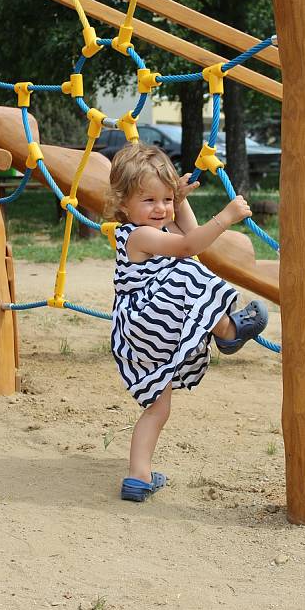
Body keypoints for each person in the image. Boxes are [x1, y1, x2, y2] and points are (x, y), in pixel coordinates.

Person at [105, 142, 269, 502]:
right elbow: (188, 248)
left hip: (143, 331)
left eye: (165, 199)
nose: (160, 208)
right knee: (187, 269)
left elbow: (191, 234)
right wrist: (225, 216)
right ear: (123, 205)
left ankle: (138, 476)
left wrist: (180, 200)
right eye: (149, 201)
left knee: (159, 407)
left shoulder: (157, 228)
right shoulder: (138, 235)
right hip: (146, 320)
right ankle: (227, 331)